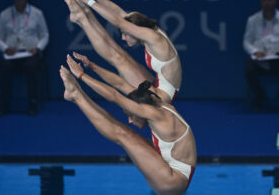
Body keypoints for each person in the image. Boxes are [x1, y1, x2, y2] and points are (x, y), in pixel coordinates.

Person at [59, 54, 196, 194]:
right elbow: (120, 84)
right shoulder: (154, 100)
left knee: (122, 134)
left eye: (130, 115)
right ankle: (75, 94)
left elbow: (114, 96)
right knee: (126, 133)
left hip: (173, 182)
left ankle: (76, 95)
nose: (130, 120)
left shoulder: (154, 114)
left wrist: (81, 75)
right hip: (175, 172)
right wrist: (92, 66)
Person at [63, 0, 182, 104]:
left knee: (117, 58)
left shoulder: (152, 36)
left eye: (125, 34)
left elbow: (119, 22)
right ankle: (85, 13)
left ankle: (82, 19)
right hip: (160, 85)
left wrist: (89, 1)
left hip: (161, 99)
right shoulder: (145, 26)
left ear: (134, 30)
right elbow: (119, 13)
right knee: (120, 53)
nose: (123, 38)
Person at [0, 0, 49, 116]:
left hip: (31, 54)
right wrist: (5, 48)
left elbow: (45, 35)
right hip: (11, 55)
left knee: (31, 66)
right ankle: (4, 104)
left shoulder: (37, 13)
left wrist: (38, 48)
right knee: (4, 66)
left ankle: (33, 103)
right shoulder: (4, 15)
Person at [243, 0, 279, 109]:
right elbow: (246, 41)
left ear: (275, 1)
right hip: (260, 59)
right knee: (249, 69)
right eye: (263, 0)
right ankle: (260, 96)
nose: (266, 3)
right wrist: (254, 51)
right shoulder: (252, 20)